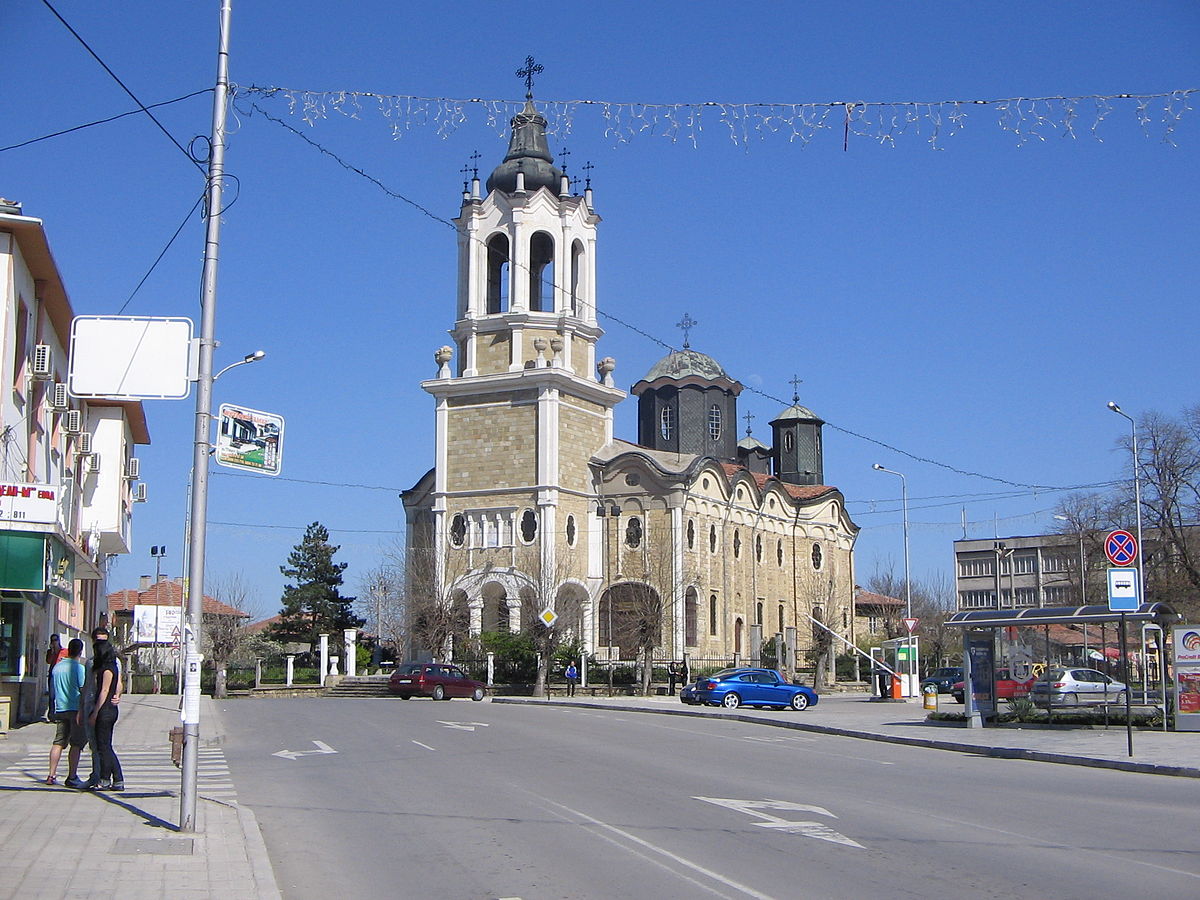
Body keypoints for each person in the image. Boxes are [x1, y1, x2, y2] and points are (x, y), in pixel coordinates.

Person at [82, 626, 121, 788]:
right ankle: (112, 778)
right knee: (104, 745)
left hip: (104, 710)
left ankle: (109, 777)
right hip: (107, 710)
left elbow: (104, 690)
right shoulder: (110, 665)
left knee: (103, 746)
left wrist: (95, 712)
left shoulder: (107, 668)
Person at [46, 639, 87, 787]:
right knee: (75, 744)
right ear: (80, 651)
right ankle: (72, 775)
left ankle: (51, 774)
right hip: (75, 709)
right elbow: (83, 690)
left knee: (58, 742)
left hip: (61, 708)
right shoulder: (79, 669)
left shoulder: (57, 667)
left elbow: (53, 687)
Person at [45, 634, 67, 720]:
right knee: (52, 695)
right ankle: (51, 715)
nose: (54, 642)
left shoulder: (64, 651)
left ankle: (60, 713)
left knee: (60, 695)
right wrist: (52, 651)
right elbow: (48, 661)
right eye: (53, 640)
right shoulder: (50, 652)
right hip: (52, 674)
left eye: (56, 640)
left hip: (61, 675)